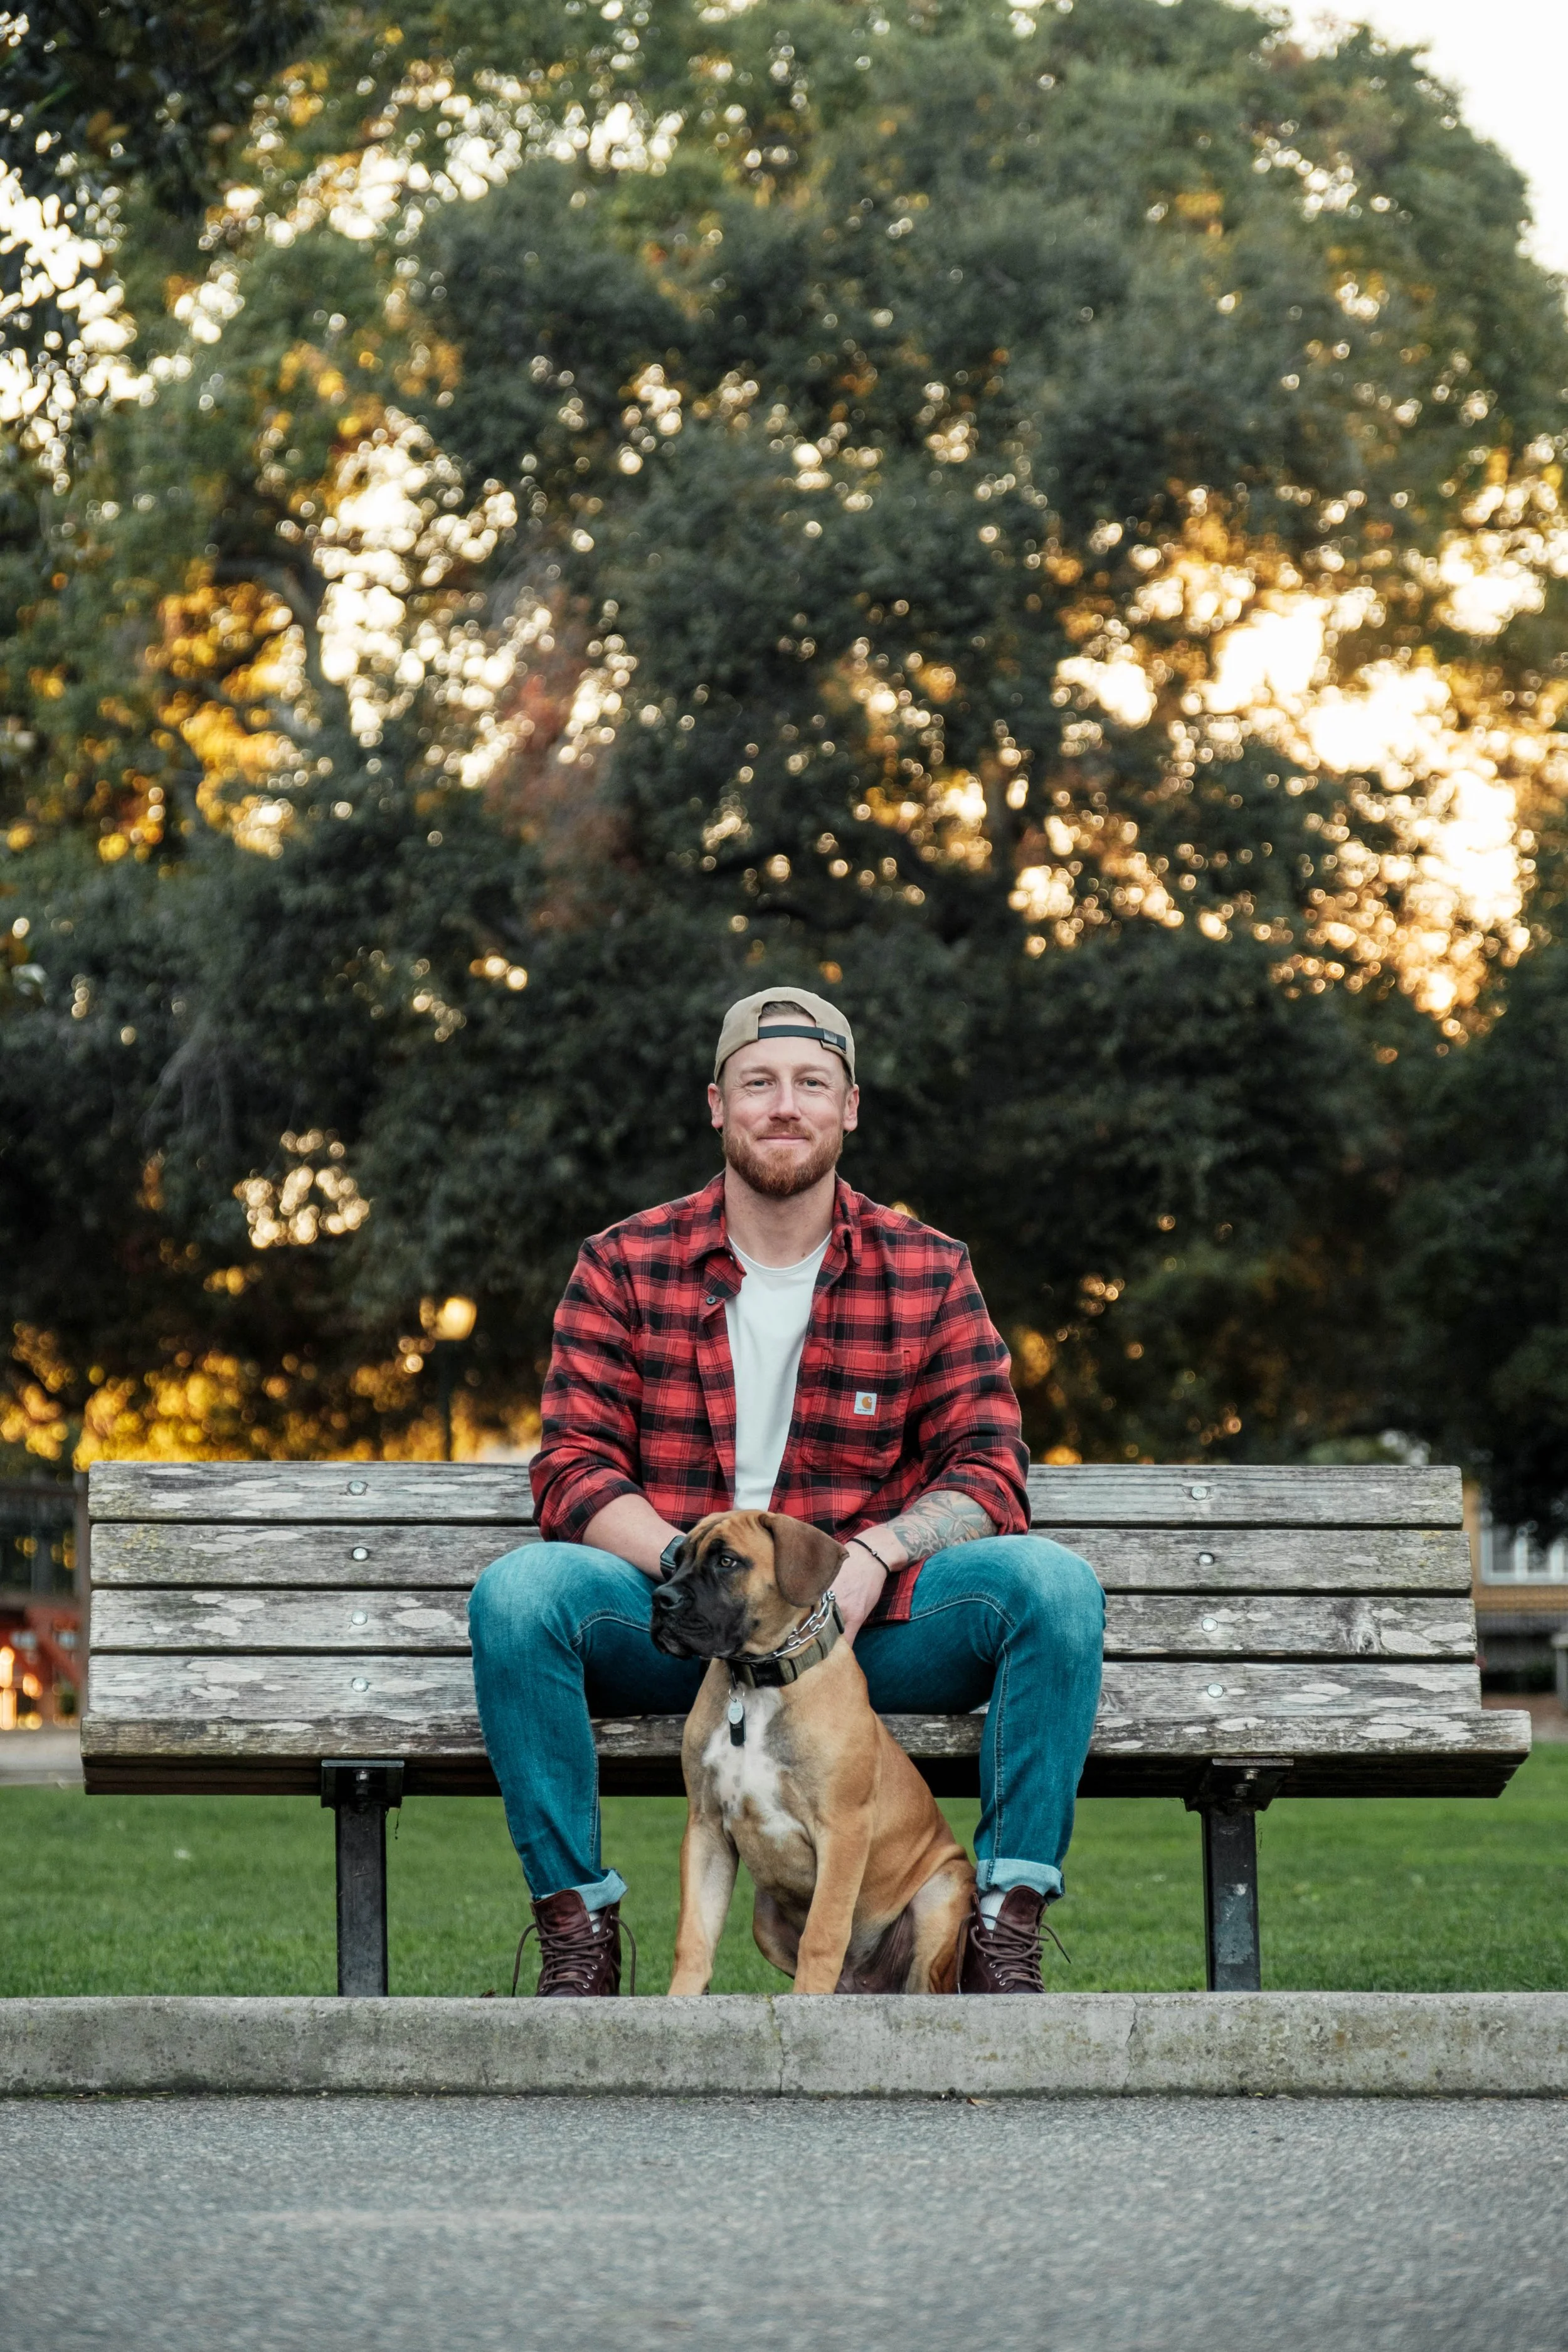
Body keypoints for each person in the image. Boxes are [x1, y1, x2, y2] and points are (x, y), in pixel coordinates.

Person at [469, 987, 1104, 1995]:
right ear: (716, 1103)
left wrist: (871, 1557)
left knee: (1054, 1588)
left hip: (867, 1635)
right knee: (518, 1596)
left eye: (812, 1083)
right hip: (678, 1629)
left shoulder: (927, 1269)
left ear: (850, 1108)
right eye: (758, 1082)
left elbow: (989, 1464)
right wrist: (696, 1572)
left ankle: (999, 1928)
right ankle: (578, 1928)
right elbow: (572, 1467)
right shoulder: (625, 1264)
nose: (784, 1104)